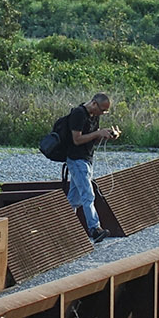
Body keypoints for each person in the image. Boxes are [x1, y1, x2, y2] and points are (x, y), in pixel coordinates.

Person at [64, 93, 120, 241]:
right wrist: (97, 133)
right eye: (102, 110)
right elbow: (77, 140)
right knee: (88, 194)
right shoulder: (78, 114)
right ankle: (94, 228)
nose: (102, 113)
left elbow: (92, 139)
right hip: (76, 159)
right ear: (94, 103)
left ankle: (65, 229)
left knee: (74, 199)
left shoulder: (94, 115)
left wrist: (106, 135)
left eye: (105, 111)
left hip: (87, 158)